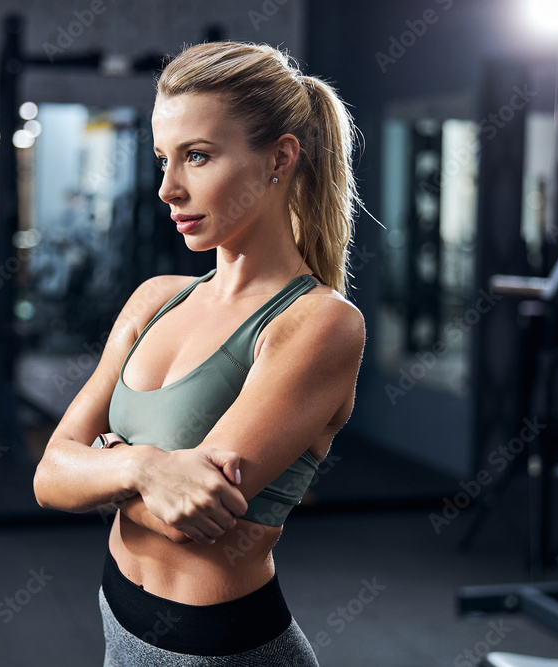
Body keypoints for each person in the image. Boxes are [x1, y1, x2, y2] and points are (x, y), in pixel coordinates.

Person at [33, 41, 366, 666]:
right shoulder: (154, 299)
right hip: (116, 621)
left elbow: (193, 515)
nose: (167, 188)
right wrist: (146, 468)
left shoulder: (319, 324)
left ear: (280, 159)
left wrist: (106, 460)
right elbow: (48, 476)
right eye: (163, 159)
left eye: (198, 156)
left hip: (222, 651)